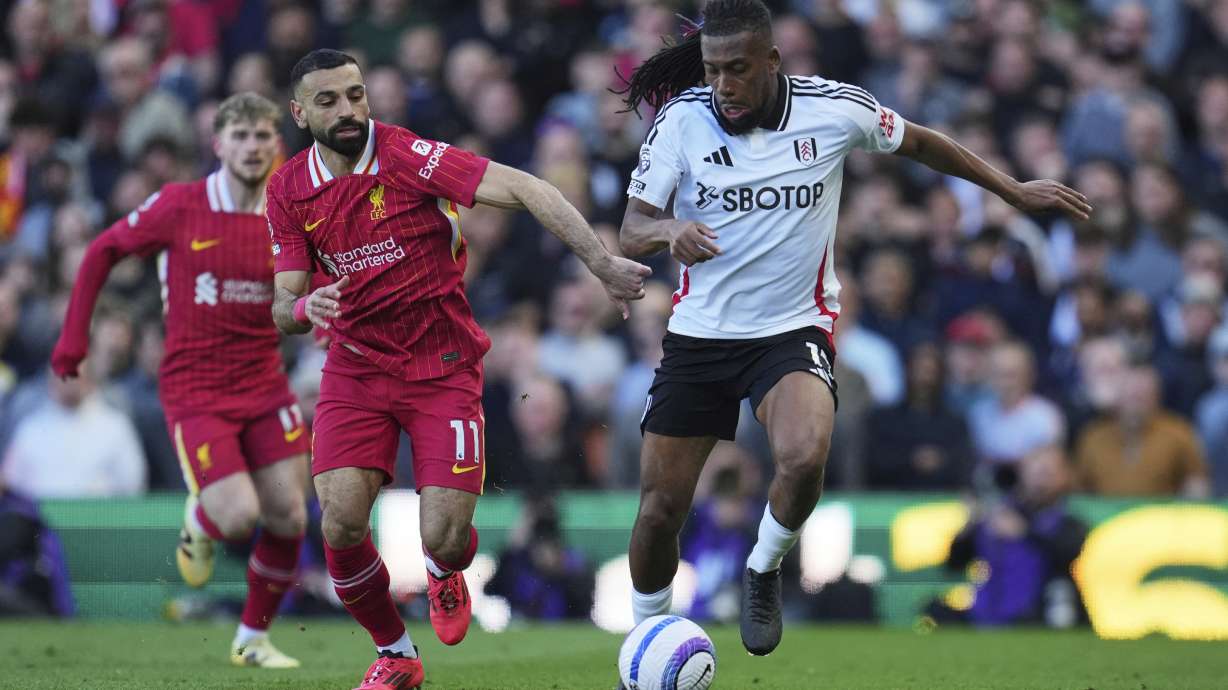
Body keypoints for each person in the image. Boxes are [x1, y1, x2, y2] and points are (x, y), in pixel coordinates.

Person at [614, 0, 1092, 657]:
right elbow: (633, 228)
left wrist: (1008, 189)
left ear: (773, 62)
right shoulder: (682, 122)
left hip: (792, 328)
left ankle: (764, 566)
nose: (723, 84)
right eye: (712, 69)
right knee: (659, 511)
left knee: (806, 456)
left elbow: (922, 142)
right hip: (701, 335)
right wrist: (669, 229)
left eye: (737, 69)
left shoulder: (834, 108)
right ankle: (645, 640)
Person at [266, 49, 649, 690]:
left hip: (442, 367)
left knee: (442, 538)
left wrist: (601, 262)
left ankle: (447, 571)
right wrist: (307, 304)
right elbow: (282, 306)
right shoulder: (287, 189)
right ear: (300, 112)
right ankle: (395, 654)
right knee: (338, 522)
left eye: (356, 94)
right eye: (329, 100)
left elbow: (528, 187)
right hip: (356, 371)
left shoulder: (409, 157)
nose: (349, 109)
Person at [50, 93, 310, 668]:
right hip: (197, 391)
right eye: (239, 136)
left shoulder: (290, 216)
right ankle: (199, 519)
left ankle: (252, 640)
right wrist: (74, 338)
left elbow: (303, 299)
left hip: (265, 384)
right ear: (218, 145)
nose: (252, 147)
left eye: (262, 136)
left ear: (277, 145)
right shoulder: (181, 205)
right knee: (239, 515)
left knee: (291, 515)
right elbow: (103, 250)